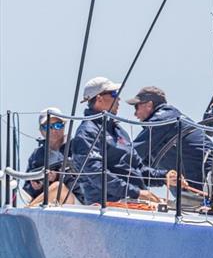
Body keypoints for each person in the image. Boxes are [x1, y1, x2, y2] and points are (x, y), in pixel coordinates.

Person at [70, 76, 170, 204]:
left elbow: (138, 168)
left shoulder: (118, 130)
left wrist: (165, 177)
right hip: (107, 206)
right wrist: (136, 193)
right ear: (99, 99)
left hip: (133, 203)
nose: (118, 98)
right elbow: (96, 173)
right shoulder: (87, 132)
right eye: (113, 94)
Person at [127, 86, 213, 189]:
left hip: (205, 179)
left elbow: (132, 153)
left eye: (136, 107)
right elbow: (141, 162)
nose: (135, 114)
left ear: (149, 105)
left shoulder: (162, 120)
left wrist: (112, 161)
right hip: (199, 181)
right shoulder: (167, 120)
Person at [24, 108, 82, 206]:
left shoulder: (77, 146)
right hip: (49, 206)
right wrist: (37, 186)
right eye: (47, 127)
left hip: (77, 202)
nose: (53, 130)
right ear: (41, 131)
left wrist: (57, 176)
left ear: (64, 126)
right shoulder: (36, 154)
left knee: (58, 187)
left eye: (58, 125)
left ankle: (26, 212)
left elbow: (84, 179)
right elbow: (28, 189)